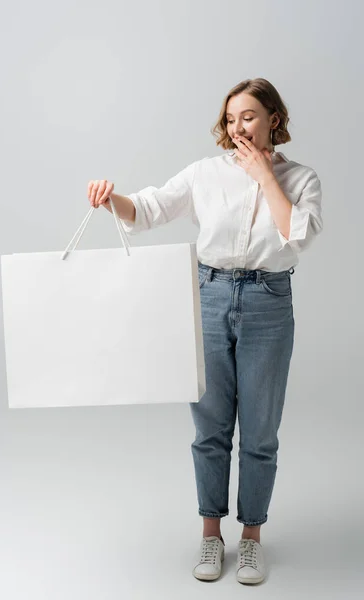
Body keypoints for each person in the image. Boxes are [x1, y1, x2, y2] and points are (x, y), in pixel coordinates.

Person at [87, 78, 323, 585]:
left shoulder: (301, 179)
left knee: (260, 432)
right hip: (208, 296)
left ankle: (253, 539)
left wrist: (264, 177)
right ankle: (211, 536)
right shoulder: (205, 173)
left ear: (273, 119)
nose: (239, 126)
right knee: (210, 428)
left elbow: (296, 235)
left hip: (268, 300)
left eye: (250, 116)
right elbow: (148, 209)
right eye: (232, 117)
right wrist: (113, 199)